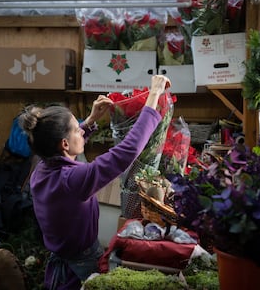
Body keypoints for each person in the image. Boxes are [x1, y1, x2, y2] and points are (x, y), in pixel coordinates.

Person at [18, 74, 171, 289]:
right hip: (81, 269)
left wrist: (90, 122)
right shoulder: (72, 181)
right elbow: (127, 151)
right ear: (64, 143)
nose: (81, 131)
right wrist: (154, 93)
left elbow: (65, 152)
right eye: (76, 129)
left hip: (61, 266)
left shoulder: (42, 170)